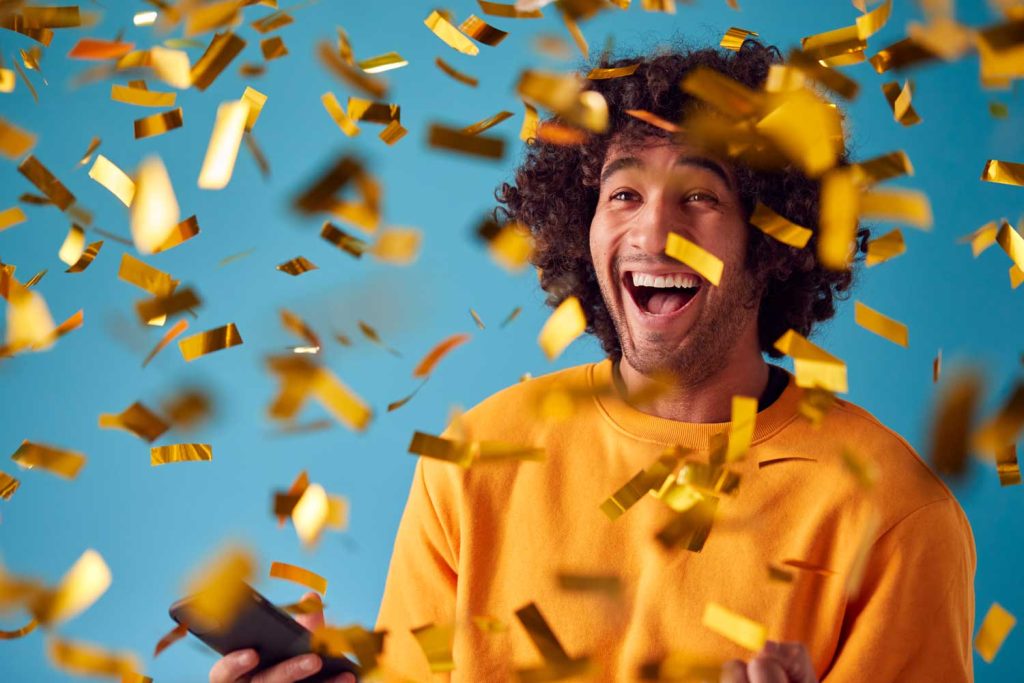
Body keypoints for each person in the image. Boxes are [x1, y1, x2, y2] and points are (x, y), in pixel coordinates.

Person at [211, 41, 975, 683]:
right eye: (623, 195)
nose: (654, 232)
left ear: (771, 243)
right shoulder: (473, 459)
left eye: (700, 197)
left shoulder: (897, 519)